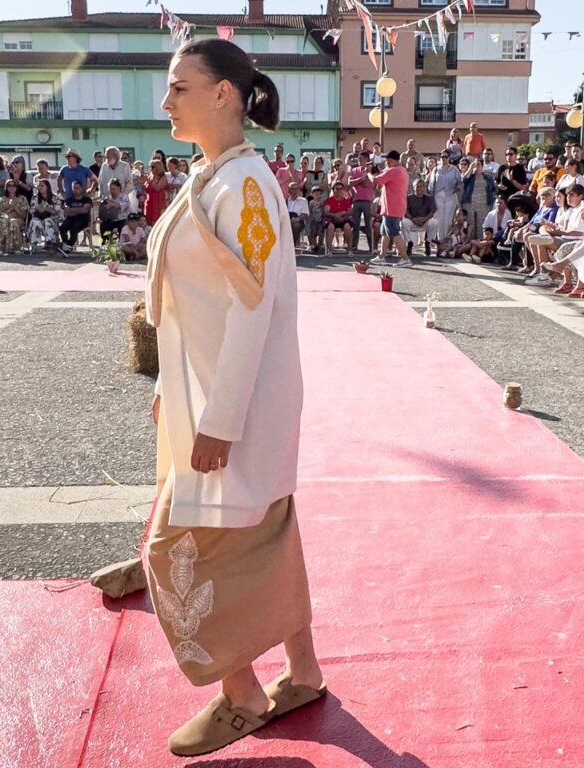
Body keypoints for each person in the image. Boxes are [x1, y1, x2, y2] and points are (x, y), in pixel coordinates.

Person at [134, 38, 323, 758]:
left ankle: (242, 692)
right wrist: (168, 385)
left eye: (179, 87)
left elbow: (252, 308)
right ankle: (302, 673)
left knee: (172, 552)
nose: (166, 100)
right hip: (212, 390)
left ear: (223, 95)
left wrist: (218, 421)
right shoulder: (213, 174)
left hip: (233, 403)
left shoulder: (241, 184)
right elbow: (197, 302)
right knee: (268, 532)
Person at [370, 149, 410, 267]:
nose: (386, 163)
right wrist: (379, 171)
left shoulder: (394, 171)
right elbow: (385, 175)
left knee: (393, 232)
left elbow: (376, 180)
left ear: (393, 160)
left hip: (392, 207)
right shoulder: (401, 170)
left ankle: (405, 258)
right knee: (385, 232)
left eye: (388, 161)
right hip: (393, 206)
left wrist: (369, 173)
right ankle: (382, 256)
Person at [429, 151, 463, 247]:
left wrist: (457, 189)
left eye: (446, 157)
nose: (444, 158)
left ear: (449, 158)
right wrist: (431, 198)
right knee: (440, 219)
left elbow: (460, 182)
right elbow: (431, 185)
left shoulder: (454, 169)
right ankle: (440, 241)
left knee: (448, 219)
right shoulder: (436, 170)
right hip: (438, 195)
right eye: (442, 156)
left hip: (450, 195)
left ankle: (447, 241)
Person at [348, 151, 376, 254]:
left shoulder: (370, 171)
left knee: (368, 224)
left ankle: (371, 246)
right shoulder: (354, 170)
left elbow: (369, 184)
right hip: (356, 200)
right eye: (358, 159)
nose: (359, 161)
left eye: (361, 159)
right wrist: (361, 179)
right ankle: (354, 245)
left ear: (366, 160)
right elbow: (350, 183)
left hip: (367, 201)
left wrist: (358, 181)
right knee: (355, 224)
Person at [403, 178, 438, 257]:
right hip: (412, 220)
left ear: (424, 187)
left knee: (435, 223)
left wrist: (425, 219)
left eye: (421, 186)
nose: (419, 188)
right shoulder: (408, 198)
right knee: (404, 222)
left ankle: (428, 242)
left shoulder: (429, 198)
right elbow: (405, 211)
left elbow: (432, 212)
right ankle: (409, 243)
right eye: (417, 186)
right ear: (414, 187)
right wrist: (413, 219)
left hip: (424, 220)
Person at [28, 179, 64, 251]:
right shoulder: (35, 198)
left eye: (42, 186)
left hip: (52, 219)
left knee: (47, 221)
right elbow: (31, 210)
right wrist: (37, 209)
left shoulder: (55, 197)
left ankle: (50, 242)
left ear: (47, 187)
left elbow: (58, 211)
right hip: (39, 218)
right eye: (39, 186)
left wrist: (47, 209)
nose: (40, 188)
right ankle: (33, 243)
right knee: (34, 221)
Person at [0, 180, 29, 254]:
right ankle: (2, 247)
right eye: (9, 185)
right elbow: (0, 213)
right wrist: (10, 209)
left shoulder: (22, 198)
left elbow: (24, 215)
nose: (11, 187)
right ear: (6, 187)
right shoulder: (2, 199)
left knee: (13, 221)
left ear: (17, 187)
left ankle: (16, 247)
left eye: (14, 185)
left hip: (18, 219)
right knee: (4, 221)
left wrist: (16, 209)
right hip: (5, 218)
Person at [59, 180, 92, 251]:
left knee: (74, 229)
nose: (75, 190)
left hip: (83, 220)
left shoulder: (87, 199)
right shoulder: (69, 200)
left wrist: (72, 210)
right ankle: (65, 244)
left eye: (77, 188)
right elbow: (66, 212)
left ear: (81, 188)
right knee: (62, 227)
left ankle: (68, 246)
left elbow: (85, 210)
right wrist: (79, 210)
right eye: (74, 188)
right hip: (71, 219)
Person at [322, 180, 352, 256]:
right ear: (333, 190)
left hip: (343, 219)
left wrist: (342, 213)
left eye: (341, 188)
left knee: (347, 227)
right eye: (337, 189)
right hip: (331, 219)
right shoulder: (329, 200)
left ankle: (350, 250)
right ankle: (329, 250)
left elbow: (349, 211)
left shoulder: (346, 200)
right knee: (330, 227)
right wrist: (335, 215)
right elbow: (326, 212)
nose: (339, 190)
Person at [286, 181, 309, 248]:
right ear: (289, 190)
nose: (295, 190)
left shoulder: (303, 201)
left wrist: (297, 219)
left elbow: (305, 214)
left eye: (297, 188)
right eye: (293, 188)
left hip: (299, 220)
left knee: (296, 225)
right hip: (287, 220)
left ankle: (293, 244)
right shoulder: (285, 201)